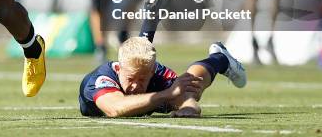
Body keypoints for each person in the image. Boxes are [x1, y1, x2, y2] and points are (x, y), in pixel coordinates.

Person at [79, 37, 246, 117]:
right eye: (130, 79)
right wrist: (167, 94)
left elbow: (189, 102)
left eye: (142, 79)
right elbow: (115, 108)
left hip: (155, 90)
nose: (136, 86)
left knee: (192, 88)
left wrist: (188, 108)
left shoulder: (158, 76)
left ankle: (220, 59)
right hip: (154, 95)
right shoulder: (101, 79)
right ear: (118, 68)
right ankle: (219, 59)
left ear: (152, 73)